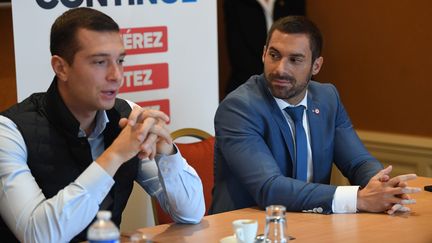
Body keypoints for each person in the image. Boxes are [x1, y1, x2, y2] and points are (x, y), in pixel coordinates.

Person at [0, 7, 204, 243]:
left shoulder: (127, 114)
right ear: (61, 67)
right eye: (100, 62)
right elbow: (38, 236)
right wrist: (115, 154)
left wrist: (166, 153)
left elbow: (191, 213)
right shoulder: (9, 131)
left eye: (120, 60)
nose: (116, 75)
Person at [210, 16, 421, 215]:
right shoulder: (238, 108)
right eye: (274, 55)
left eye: (295, 60)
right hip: (244, 230)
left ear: (316, 66)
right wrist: (358, 199)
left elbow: (358, 162)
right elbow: (270, 188)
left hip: (308, 224)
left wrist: (382, 187)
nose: (281, 69)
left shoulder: (327, 98)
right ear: (264, 54)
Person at [224, 0, 306, 95]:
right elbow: (238, 53)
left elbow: (301, 40)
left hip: (291, 84)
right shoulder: (235, 3)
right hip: (247, 83)